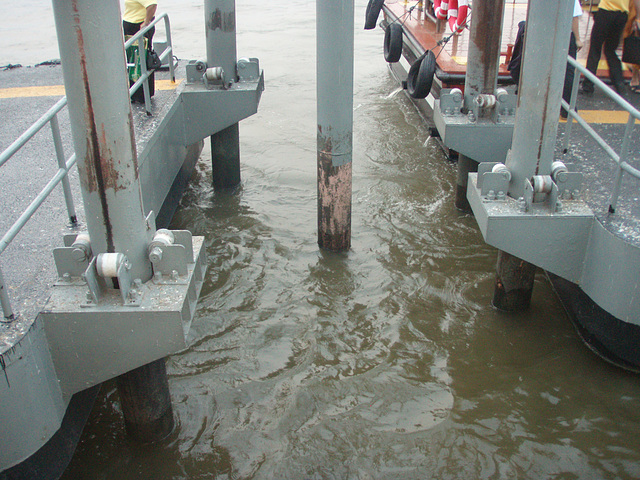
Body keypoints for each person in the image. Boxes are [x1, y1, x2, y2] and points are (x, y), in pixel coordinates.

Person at [581, 0, 640, 95]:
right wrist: (637, 18)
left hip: (606, 11)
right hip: (622, 15)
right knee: (610, 50)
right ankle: (619, 83)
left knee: (595, 49)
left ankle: (588, 85)